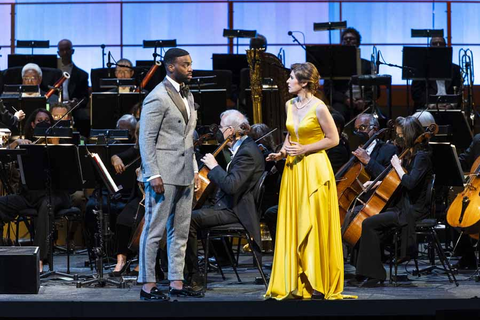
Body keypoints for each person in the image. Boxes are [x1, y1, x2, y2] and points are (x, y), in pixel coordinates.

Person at [265, 62, 346, 300]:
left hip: (314, 168)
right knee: (295, 220)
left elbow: (333, 139)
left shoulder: (319, 107)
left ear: (304, 83)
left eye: (291, 78)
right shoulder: (290, 104)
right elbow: (291, 135)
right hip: (293, 169)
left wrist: (306, 149)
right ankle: (297, 280)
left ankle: (318, 281)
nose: (287, 81)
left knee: (313, 221)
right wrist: (281, 153)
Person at [138, 48, 201, 300]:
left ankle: (177, 281)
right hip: (163, 173)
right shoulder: (157, 97)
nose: (190, 68)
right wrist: (152, 174)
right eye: (185, 64)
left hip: (185, 172)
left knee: (181, 231)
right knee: (154, 230)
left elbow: (188, 139)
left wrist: (195, 169)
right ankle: (147, 285)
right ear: (170, 67)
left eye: (190, 64)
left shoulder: (189, 95)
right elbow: (146, 139)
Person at [185, 110, 265, 291]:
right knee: (188, 214)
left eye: (221, 127)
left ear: (230, 130)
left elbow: (231, 186)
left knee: (187, 220)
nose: (219, 131)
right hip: (229, 205)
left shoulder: (247, 153)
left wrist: (214, 166)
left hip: (237, 212)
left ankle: (193, 275)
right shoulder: (243, 148)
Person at [349, 116, 433, 287]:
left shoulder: (422, 157)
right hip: (401, 204)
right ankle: (363, 272)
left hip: (412, 209)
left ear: (409, 135)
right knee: (363, 217)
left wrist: (397, 167)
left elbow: (409, 183)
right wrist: (377, 183)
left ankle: (374, 274)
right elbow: (401, 181)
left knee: (369, 223)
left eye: (401, 135)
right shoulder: (410, 153)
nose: (397, 139)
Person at [323, 28, 374, 121]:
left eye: (352, 39)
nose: (348, 41)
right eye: (345, 39)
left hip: (363, 102)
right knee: (336, 115)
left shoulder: (367, 64)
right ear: (341, 43)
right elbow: (328, 89)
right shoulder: (334, 65)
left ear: (358, 43)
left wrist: (364, 100)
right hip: (342, 102)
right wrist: (345, 100)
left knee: (378, 116)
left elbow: (374, 89)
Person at [411, 37, 463, 109]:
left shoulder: (455, 69)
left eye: (441, 44)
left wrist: (451, 105)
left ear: (445, 47)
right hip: (427, 108)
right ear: (430, 47)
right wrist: (432, 105)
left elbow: (459, 92)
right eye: (435, 44)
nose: (438, 46)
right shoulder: (421, 68)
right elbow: (416, 93)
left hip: (449, 108)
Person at [351, 113, 398, 179]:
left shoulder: (388, 149)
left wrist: (368, 160)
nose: (358, 132)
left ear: (375, 129)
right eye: (356, 129)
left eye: (362, 127)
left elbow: (390, 178)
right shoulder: (354, 149)